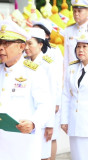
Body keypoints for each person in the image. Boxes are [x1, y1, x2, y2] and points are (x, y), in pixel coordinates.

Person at [0, 19, 54, 160]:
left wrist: (33, 123)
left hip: (22, 144)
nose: (0, 48)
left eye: (6, 43)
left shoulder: (33, 72)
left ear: (21, 47)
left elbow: (46, 105)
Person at [32, 19, 63, 160]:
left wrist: (56, 102)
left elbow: (57, 80)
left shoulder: (54, 53)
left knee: (51, 136)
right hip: (35, 101)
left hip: (52, 100)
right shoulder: (29, 54)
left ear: (47, 35)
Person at [25, 27, 57, 160]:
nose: (26, 47)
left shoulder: (47, 64)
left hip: (43, 119)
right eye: (25, 43)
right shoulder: (24, 62)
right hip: (28, 117)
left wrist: (49, 124)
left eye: (30, 43)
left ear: (40, 44)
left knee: (43, 155)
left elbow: (52, 94)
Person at [61, 34, 88, 160]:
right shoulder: (72, 68)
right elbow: (66, 95)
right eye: (78, 47)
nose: (81, 50)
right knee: (77, 156)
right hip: (75, 122)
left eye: (85, 46)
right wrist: (64, 120)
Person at [64, 0, 88, 74]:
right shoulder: (68, 30)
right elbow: (66, 57)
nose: (76, 14)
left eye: (79, 11)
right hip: (73, 73)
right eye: (74, 11)